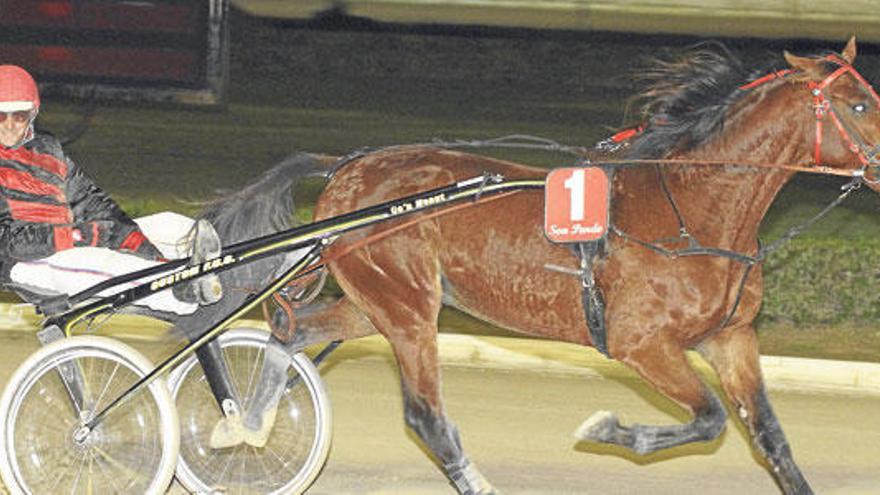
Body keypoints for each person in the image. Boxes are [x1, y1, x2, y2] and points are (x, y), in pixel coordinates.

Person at [0, 64, 221, 315]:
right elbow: (9, 241)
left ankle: (221, 266)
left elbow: (88, 200)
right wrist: (81, 236)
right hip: (24, 262)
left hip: (69, 236)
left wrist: (133, 240)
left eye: (18, 115)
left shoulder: (47, 148)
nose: (9, 126)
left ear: (32, 113)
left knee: (172, 225)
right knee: (104, 263)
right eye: (0, 116)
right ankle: (179, 292)